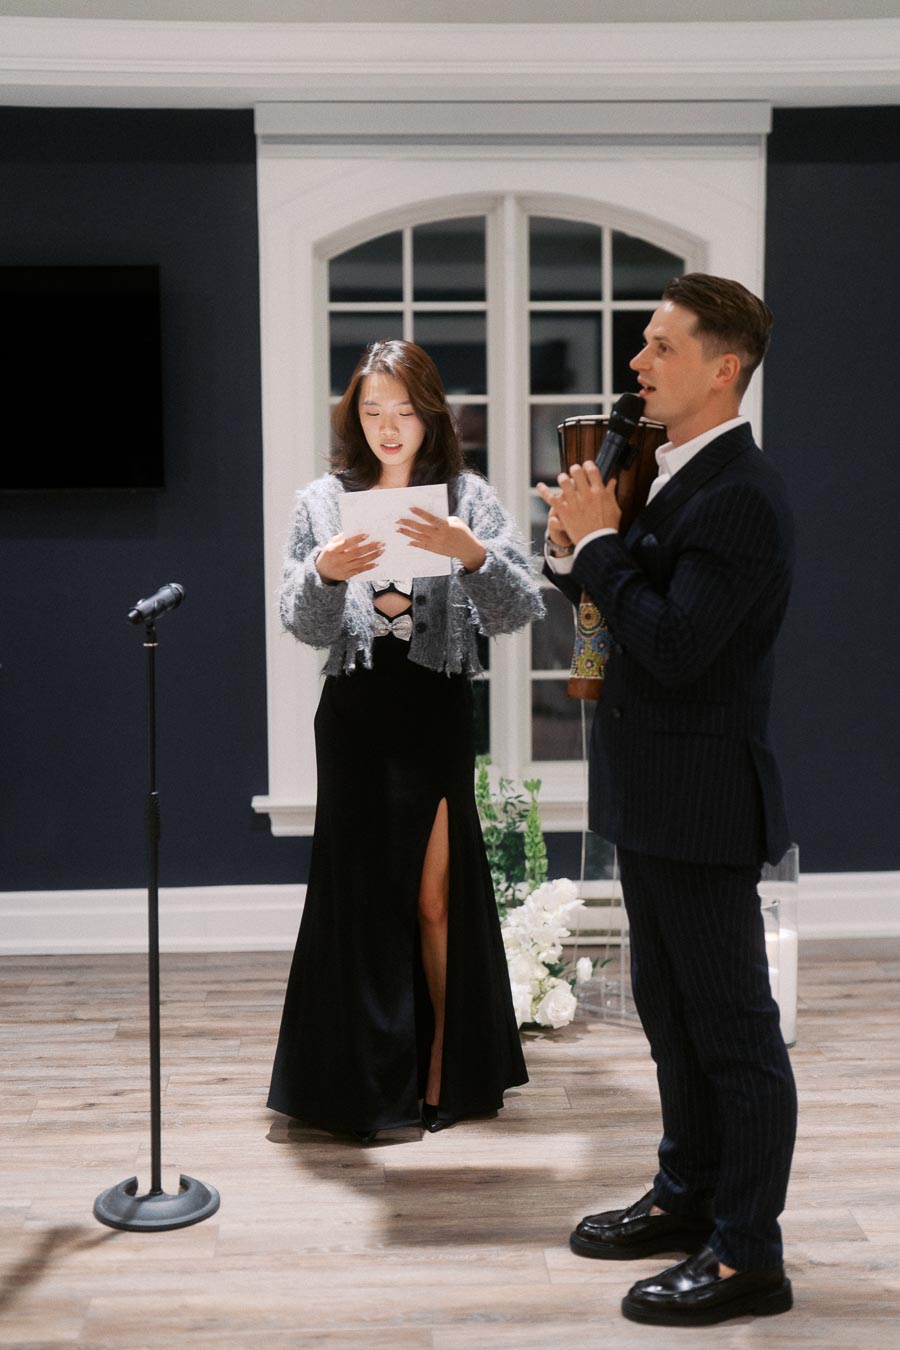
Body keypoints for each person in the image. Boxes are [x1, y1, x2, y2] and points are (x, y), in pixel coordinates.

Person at [537, 274, 797, 1328]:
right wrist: (576, 548)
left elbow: (679, 647)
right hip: (649, 796)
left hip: (702, 801)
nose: (638, 363)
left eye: (661, 346)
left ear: (723, 368)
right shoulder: (673, 474)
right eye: (642, 344)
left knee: (733, 1033)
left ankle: (749, 1256)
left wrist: (603, 546)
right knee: (670, 1016)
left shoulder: (742, 494)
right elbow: (630, 606)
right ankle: (688, 1195)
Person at [268, 339, 544, 1140]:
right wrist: (324, 573)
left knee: (433, 901)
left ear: (431, 416)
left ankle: (442, 1073)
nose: (388, 427)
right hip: (355, 716)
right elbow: (301, 622)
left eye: (404, 411)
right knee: (359, 901)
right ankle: (362, 1087)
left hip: (435, 711)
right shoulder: (322, 502)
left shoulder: (467, 498)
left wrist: (473, 555)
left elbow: (518, 610)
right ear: (354, 416)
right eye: (372, 410)